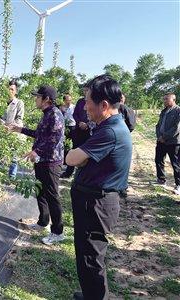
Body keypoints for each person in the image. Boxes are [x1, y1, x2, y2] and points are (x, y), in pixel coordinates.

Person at [66, 75, 132, 300]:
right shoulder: (110, 126)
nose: (84, 107)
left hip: (96, 204)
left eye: (87, 102)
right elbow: (84, 158)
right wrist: (82, 157)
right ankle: (91, 295)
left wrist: (76, 155)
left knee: (91, 259)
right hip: (95, 201)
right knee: (89, 256)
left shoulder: (110, 131)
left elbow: (73, 158)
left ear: (104, 105)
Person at [7, 85, 65, 245]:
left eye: (38, 97)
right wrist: (21, 130)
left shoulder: (55, 114)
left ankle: (58, 232)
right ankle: (43, 222)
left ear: (46, 99)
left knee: (52, 196)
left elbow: (54, 139)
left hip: (51, 162)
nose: (35, 99)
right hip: (42, 161)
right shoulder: (46, 114)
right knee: (41, 192)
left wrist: (36, 151)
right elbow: (41, 135)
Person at [61, 87, 92, 178]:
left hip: (88, 131)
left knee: (86, 153)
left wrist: (87, 124)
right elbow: (75, 114)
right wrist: (79, 122)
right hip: (78, 129)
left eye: (87, 90)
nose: (85, 92)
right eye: (84, 90)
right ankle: (68, 173)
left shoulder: (94, 101)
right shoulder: (80, 101)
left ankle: (83, 175)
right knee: (74, 149)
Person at [155, 92, 180, 194]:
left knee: (176, 164)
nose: (164, 101)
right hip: (161, 141)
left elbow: (177, 128)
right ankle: (161, 179)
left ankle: (178, 185)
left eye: (166, 99)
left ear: (173, 100)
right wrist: (159, 136)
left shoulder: (178, 111)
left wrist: (164, 137)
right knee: (159, 160)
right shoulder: (164, 111)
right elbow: (158, 125)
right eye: (164, 99)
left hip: (173, 142)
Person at [2, 79, 25, 178]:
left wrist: (10, 127)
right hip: (3, 131)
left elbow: (19, 119)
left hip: (14, 132)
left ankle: (12, 175)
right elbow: (0, 117)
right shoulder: (2, 103)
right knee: (2, 153)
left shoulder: (19, 103)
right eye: (9, 89)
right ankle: (1, 174)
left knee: (14, 154)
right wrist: (2, 125)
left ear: (16, 91)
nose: (10, 91)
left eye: (12, 89)